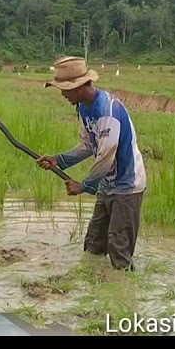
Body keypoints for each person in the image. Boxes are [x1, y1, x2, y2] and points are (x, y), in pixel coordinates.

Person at [37, 56, 147, 271]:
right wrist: (59, 159)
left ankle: (123, 295)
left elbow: (106, 155)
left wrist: (84, 186)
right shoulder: (84, 108)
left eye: (64, 89)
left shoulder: (107, 111)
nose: (62, 94)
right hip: (107, 185)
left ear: (78, 86)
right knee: (94, 245)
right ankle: (96, 289)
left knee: (119, 252)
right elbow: (88, 146)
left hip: (127, 186)